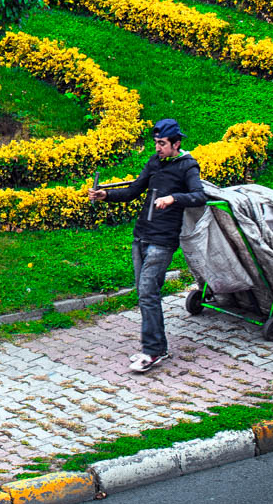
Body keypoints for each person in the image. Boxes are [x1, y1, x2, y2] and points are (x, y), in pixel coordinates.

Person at [87, 118, 208, 373]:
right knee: (145, 294)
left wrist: (173, 198)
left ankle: (152, 351)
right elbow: (133, 190)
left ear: (176, 144)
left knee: (148, 293)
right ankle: (158, 346)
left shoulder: (188, 167)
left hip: (163, 241)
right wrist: (106, 195)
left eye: (162, 144)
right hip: (141, 235)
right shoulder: (154, 163)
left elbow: (199, 196)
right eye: (156, 143)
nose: (158, 148)